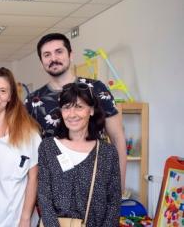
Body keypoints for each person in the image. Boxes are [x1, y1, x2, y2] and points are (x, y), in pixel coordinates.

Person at [25, 33, 127, 190]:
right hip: (55, 190)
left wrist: (118, 186)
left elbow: (118, 137)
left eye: (59, 51)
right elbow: (30, 151)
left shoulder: (96, 89)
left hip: (95, 183)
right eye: (47, 55)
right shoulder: (33, 101)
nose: (53, 58)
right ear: (42, 62)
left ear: (70, 55)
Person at [38, 82, 121, 227]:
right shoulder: (48, 147)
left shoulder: (107, 152)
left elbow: (113, 202)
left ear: (91, 110)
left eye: (79, 107)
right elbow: (44, 197)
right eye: (66, 107)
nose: (72, 114)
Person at [0, 67, 41, 227]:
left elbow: (33, 178)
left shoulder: (29, 132)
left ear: (10, 96)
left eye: (3, 91)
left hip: (19, 219)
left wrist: (25, 219)